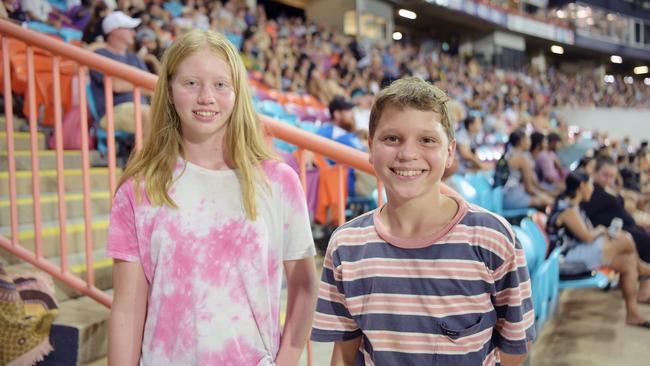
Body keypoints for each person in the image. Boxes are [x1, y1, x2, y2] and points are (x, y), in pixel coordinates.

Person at [106, 29, 317, 365]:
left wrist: (288, 358)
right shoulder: (139, 189)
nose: (206, 97)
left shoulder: (278, 182)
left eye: (220, 84)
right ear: (171, 91)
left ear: (237, 93)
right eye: (191, 83)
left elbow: (305, 287)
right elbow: (127, 310)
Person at [311, 77, 535, 365]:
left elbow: (515, 346)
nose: (407, 154)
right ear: (370, 147)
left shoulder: (492, 238)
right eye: (392, 138)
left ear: (450, 151)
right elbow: (345, 352)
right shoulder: (346, 245)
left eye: (427, 140)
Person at [547, 170, 650, 327]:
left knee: (628, 261)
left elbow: (587, 235)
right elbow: (588, 237)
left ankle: (632, 314)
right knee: (626, 238)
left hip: (578, 252)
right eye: (590, 185)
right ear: (582, 186)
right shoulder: (568, 210)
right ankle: (642, 267)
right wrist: (602, 229)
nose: (592, 189)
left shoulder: (574, 206)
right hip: (566, 259)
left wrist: (604, 232)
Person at [89, 10, 150, 135]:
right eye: (129, 28)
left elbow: (154, 86)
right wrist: (141, 85)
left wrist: (133, 85)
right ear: (114, 30)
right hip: (112, 112)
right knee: (151, 116)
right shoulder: (100, 55)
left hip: (139, 108)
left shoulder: (134, 58)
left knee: (175, 116)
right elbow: (116, 85)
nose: (134, 33)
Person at [582, 157, 650, 263]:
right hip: (614, 232)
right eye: (605, 175)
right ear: (595, 172)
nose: (608, 179)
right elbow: (589, 219)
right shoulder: (592, 192)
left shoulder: (608, 189)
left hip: (626, 227)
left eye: (612, 176)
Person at [502, 129, 554, 211]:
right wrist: (545, 196)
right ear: (521, 141)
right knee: (550, 202)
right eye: (528, 139)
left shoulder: (508, 154)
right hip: (512, 197)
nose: (530, 142)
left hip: (504, 195)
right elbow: (529, 188)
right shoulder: (522, 159)